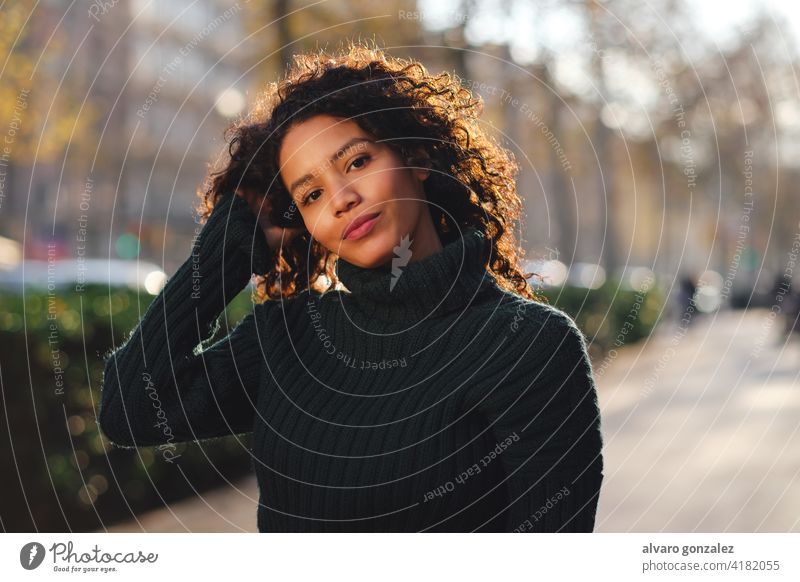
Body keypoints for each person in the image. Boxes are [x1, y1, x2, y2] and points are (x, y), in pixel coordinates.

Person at [98, 42, 604, 532]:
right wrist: (232, 242)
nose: (341, 199)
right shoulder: (290, 339)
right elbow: (130, 409)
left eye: (358, 161)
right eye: (312, 193)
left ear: (418, 157)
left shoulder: (530, 346)